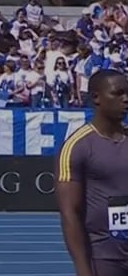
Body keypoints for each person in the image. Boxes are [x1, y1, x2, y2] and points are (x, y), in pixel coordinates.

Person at [56, 69, 128, 276]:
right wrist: (82, 269)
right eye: (118, 93)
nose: (126, 99)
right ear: (96, 97)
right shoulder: (77, 146)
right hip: (104, 259)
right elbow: (70, 213)